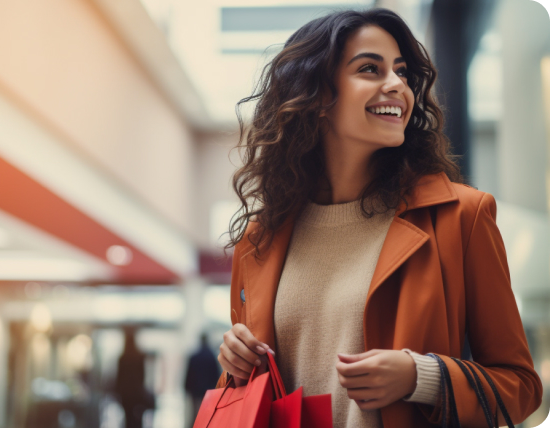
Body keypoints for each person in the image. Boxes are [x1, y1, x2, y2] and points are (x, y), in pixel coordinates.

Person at [215, 8, 543, 428]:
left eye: (402, 72)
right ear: (316, 97)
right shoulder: (259, 241)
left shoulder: (462, 217)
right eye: (370, 68)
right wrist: (235, 364)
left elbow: (521, 389)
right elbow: (256, 397)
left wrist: (419, 377)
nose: (397, 86)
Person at [184, 333, 221, 426]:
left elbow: (189, 375)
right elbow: (216, 375)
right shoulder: (212, 357)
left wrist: (187, 388)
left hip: (195, 392)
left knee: (195, 415)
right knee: (207, 417)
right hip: (209, 393)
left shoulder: (194, 356)